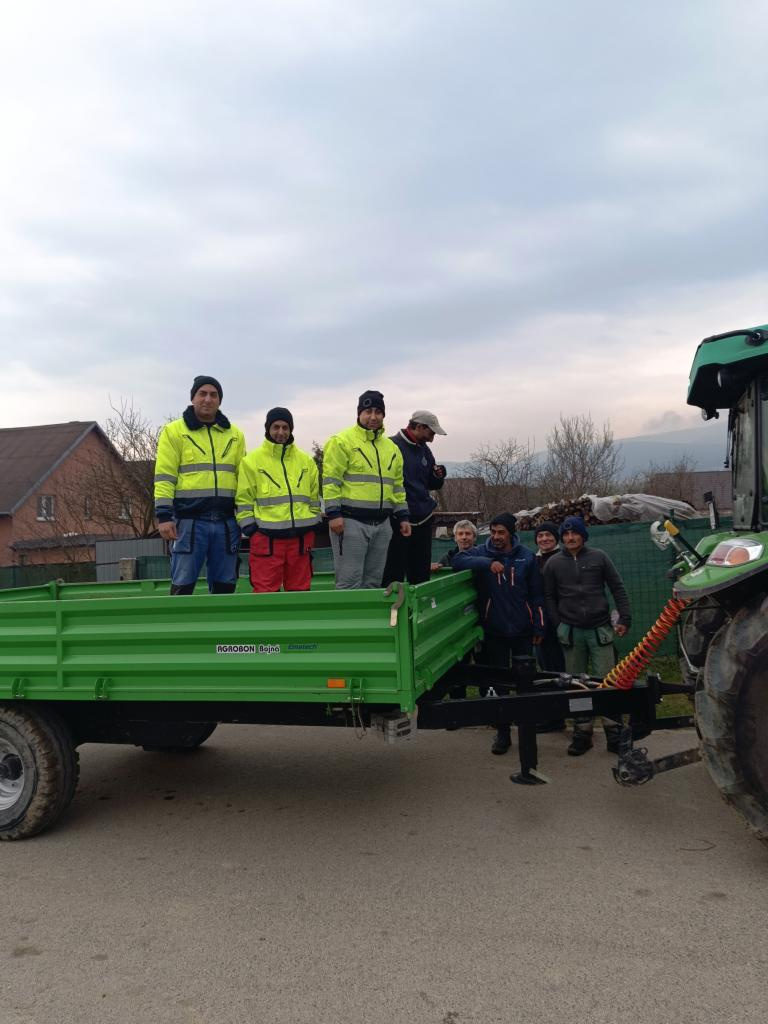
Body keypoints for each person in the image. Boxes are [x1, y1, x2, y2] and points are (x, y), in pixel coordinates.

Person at [452, 512, 545, 755]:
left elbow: (537, 594)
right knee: (499, 685)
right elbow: (458, 560)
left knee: (525, 683)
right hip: (495, 631)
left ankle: (527, 731)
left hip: (523, 631)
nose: (496, 536)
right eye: (493, 532)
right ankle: (503, 733)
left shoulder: (526, 557)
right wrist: (487, 563)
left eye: (501, 532)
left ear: (511, 533)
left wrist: (539, 625)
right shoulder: (482, 552)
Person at [543, 515, 631, 756]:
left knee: (607, 682)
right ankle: (582, 733)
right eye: (566, 534)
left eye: (575, 533)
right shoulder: (553, 563)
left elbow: (617, 587)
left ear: (583, 536)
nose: (570, 538)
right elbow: (549, 596)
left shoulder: (599, 557)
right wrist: (558, 624)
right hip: (571, 633)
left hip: (600, 630)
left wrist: (625, 618)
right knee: (577, 685)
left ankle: (614, 732)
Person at [154, 375, 246, 594]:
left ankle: (221, 618)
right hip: (189, 523)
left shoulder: (235, 435)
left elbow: (243, 482)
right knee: (183, 586)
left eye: (213, 395)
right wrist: (164, 516)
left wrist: (245, 518)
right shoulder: (174, 431)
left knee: (226, 586)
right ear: (193, 398)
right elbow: (165, 476)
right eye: (202, 394)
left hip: (226, 523)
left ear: (219, 400)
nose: (207, 399)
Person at [322, 390, 411, 589]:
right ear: (359, 413)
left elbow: (397, 486)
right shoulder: (341, 441)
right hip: (350, 523)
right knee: (349, 583)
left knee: (373, 583)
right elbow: (331, 481)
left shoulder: (392, 448)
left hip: (382, 525)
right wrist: (333, 513)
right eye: (368, 411)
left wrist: (403, 516)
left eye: (378, 412)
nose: (373, 417)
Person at [235, 407, 320, 593]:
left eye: (285, 427)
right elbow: (243, 500)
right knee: (264, 595)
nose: (281, 432)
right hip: (266, 541)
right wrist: (252, 530)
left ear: (291, 429)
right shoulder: (251, 461)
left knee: (300, 593)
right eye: (276, 427)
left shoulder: (306, 462)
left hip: (300, 541)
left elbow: (314, 498)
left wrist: (312, 525)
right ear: (268, 428)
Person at [382, 411, 447, 586]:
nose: (433, 438)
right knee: (393, 574)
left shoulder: (424, 450)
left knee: (421, 575)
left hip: (423, 519)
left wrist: (439, 475)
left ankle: (419, 604)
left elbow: (432, 483)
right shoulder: (390, 446)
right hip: (398, 521)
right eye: (431, 432)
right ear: (419, 427)